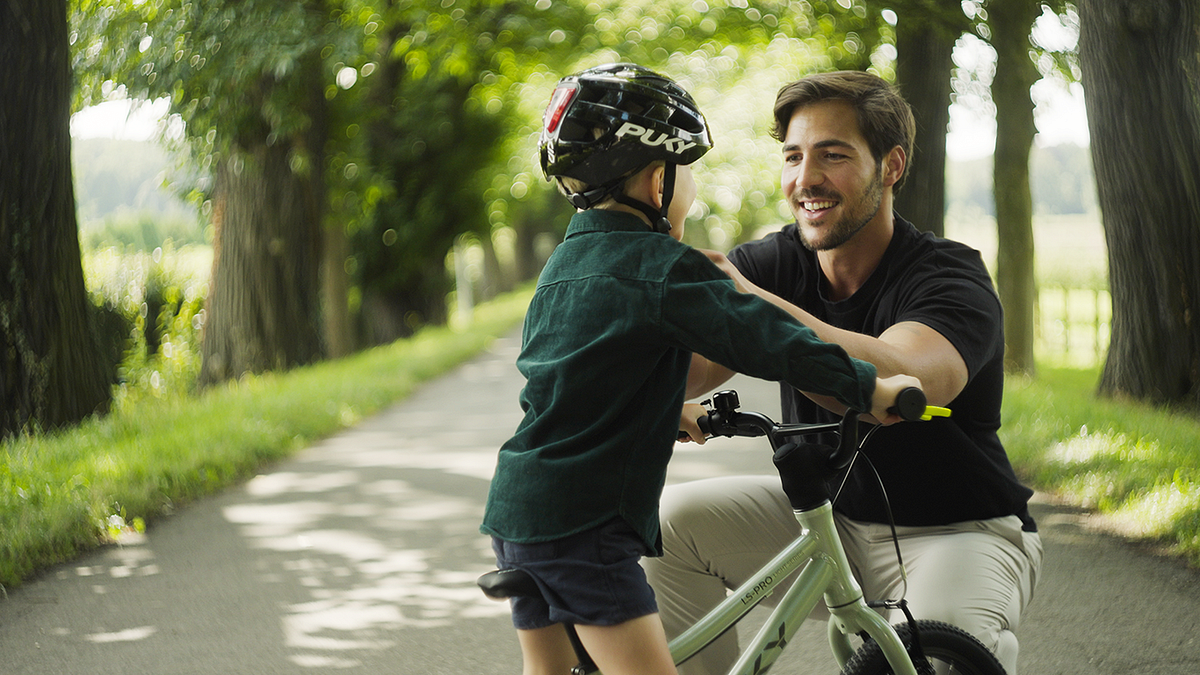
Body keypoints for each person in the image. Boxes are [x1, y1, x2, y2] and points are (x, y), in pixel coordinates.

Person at [480, 63, 921, 675]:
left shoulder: (565, 264)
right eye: (688, 174)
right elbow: (769, 341)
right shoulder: (664, 266)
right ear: (658, 179)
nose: (693, 190)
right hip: (586, 529)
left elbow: (572, 375)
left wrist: (664, 406)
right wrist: (868, 386)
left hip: (519, 513)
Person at [656, 70, 1043, 675]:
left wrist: (748, 306)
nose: (805, 179)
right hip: (827, 522)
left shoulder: (948, 276)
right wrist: (655, 386)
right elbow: (685, 365)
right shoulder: (774, 263)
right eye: (793, 156)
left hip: (959, 532)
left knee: (930, 657)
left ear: (890, 166)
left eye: (832, 156)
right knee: (666, 528)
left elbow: (903, 382)